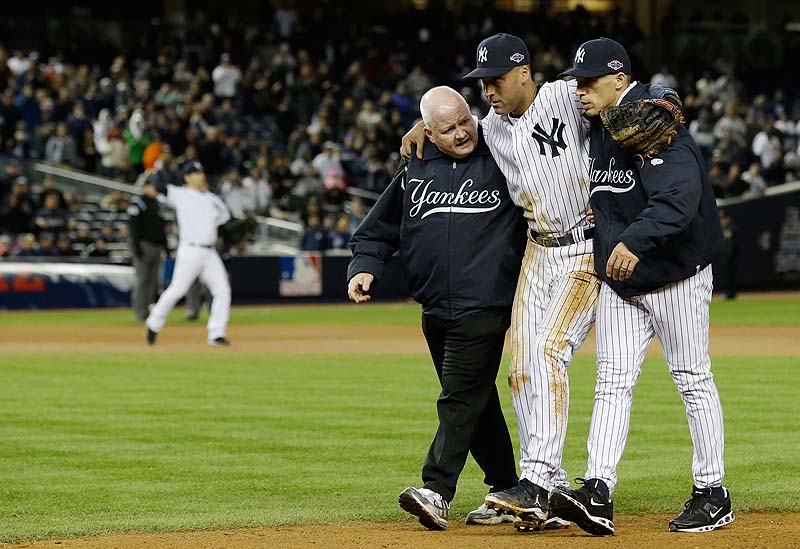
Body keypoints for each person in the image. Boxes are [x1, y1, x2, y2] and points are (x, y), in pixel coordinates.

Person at [402, 33, 599, 529]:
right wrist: (419, 127)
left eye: (496, 80)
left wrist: (652, 95)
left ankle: (540, 480)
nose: (487, 90)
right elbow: (453, 125)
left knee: (547, 354)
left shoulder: (561, 96)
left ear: (525, 73)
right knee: (521, 367)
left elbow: (607, 94)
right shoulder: (490, 127)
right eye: (482, 82)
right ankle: (536, 480)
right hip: (538, 249)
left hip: (584, 245)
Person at [549, 37, 732, 535]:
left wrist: (631, 240)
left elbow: (678, 197)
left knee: (692, 379)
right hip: (623, 285)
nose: (580, 90)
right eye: (577, 82)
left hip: (675, 277)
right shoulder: (604, 126)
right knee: (611, 382)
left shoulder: (650, 117)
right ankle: (597, 491)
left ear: (619, 80)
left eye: (589, 82)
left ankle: (713, 492)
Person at [350, 86, 526, 531]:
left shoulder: (502, 151)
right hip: (434, 307)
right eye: (447, 129)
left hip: (484, 302)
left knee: (459, 396)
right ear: (428, 131)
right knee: (477, 399)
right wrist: (365, 266)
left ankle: (437, 489)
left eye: (465, 121)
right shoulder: (416, 165)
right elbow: (379, 228)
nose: (461, 133)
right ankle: (506, 486)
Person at [145, 161, 232, 346]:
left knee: (222, 290)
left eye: (201, 172)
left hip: (210, 253)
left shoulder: (211, 198)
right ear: (187, 177)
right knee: (178, 289)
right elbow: (158, 185)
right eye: (195, 173)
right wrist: (159, 168)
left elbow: (225, 217)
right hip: (190, 250)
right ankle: (154, 322)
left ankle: (216, 334)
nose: (201, 175)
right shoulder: (180, 194)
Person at [128, 176, 168, 322]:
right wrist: (136, 245)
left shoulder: (155, 203)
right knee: (142, 279)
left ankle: (149, 310)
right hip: (144, 245)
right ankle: (140, 311)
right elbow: (133, 225)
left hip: (156, 245)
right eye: (152, 186)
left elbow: (160, 227)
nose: (154, 189)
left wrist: (165, 245)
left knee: (153, 280)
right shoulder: (137, 202)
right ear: (145, 187)